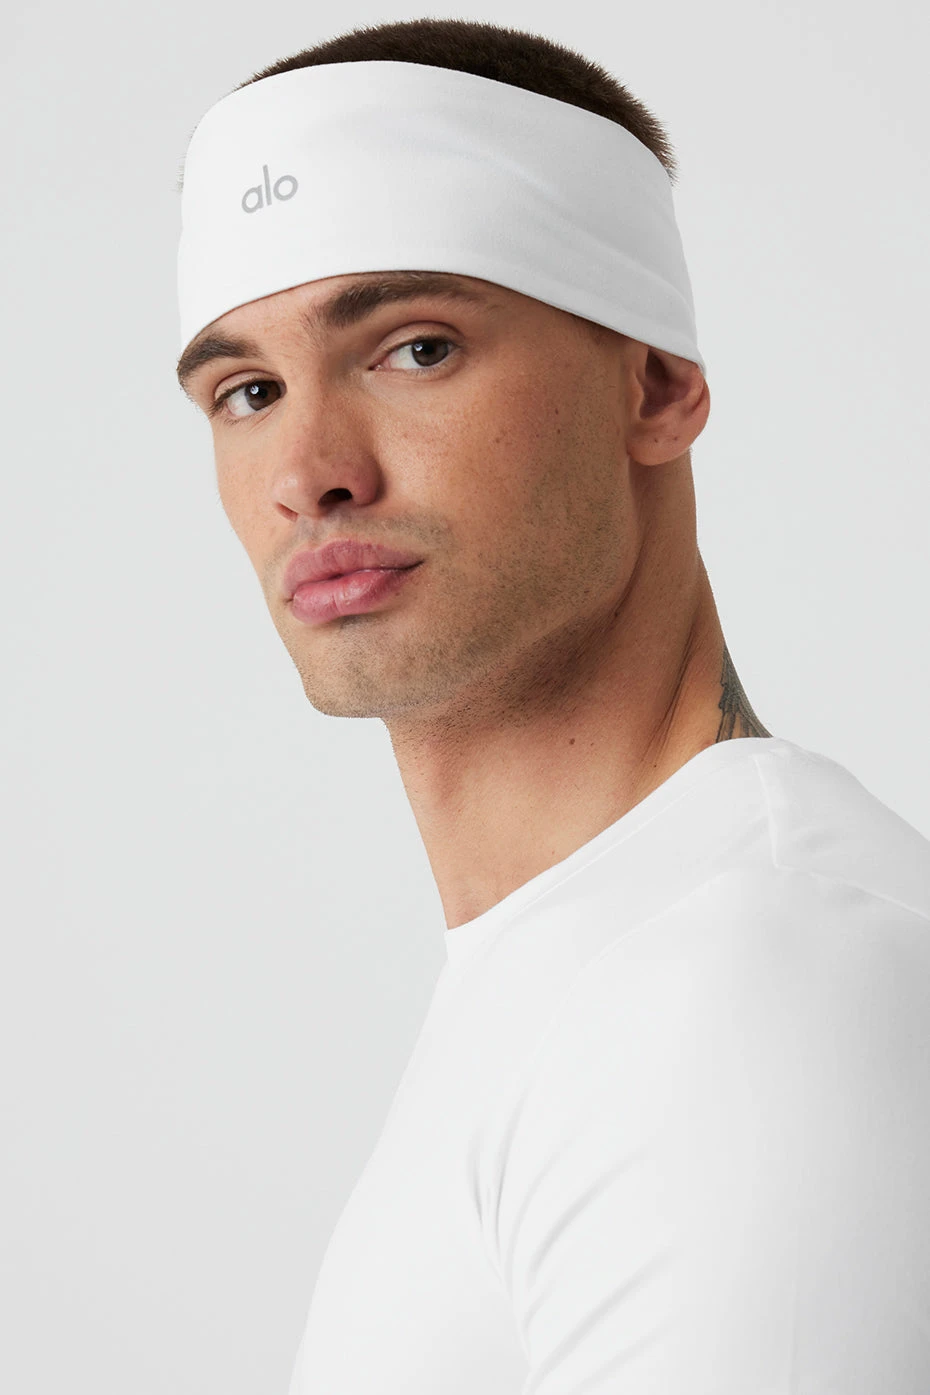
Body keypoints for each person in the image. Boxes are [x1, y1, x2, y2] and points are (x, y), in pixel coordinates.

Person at [174, 20, 930, 1394]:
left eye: (414, 349)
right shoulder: (592, 959)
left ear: (657, 387)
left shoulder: (746, 981)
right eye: (248, 390)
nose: (308, 471)